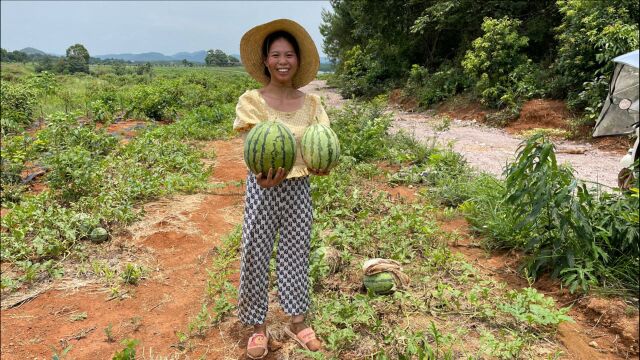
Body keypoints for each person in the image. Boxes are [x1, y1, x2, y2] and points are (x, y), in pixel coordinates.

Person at [233, 18, 331, 359]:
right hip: (263, 187)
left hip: (299, 187)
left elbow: (322, 144)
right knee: (254, 254)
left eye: (289, 54)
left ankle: (296, 320)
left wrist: (322, 165)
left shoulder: (313, 105)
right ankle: (256, 327)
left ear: (298, 60)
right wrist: (260, 174)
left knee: (296, 254)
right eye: (275, 54)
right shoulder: (253, 101)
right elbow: (253, 146)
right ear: (265, 60)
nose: (283, 61)